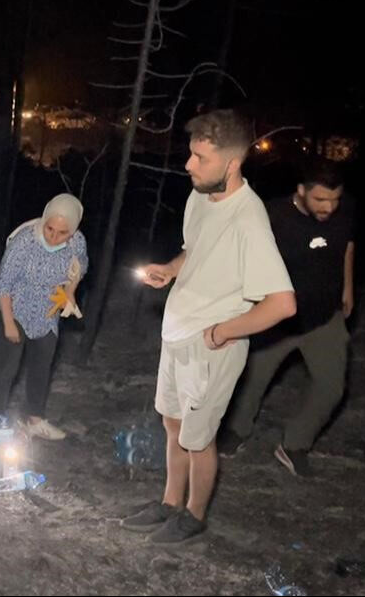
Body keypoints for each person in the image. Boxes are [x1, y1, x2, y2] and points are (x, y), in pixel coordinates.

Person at [120, 109, 296, 544]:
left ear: (231, 164)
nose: (189, 165)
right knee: (173, 426)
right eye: (191, 154)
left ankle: (194, 515)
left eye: (200, 157)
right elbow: (193, 250)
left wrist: (223, 332)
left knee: (199, 440)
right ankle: (168, 502)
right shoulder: (200, 196)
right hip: (177, 331)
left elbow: (282, 304)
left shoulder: (248, 221)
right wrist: (172, 269)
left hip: (212, 348)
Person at [221, 155, 356, 477]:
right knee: (251, 381)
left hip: (324, 316)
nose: (329, 207)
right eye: (320, 199)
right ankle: (236, 430)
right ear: (301, 190)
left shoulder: (346, 208)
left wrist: (347, 288)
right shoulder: (272, 217)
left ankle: (295, 443)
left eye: (334, 200)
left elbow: (347, 244)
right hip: (276, 321)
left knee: (332, 387)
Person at [0, 193, 89, 440]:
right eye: (50, 229)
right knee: (7, 369)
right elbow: (4, 284)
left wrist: (70, 292)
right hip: (16, 309)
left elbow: (80, 267)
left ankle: (34, 419)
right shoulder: (24, 242)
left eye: (62, 232)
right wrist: (9, 323)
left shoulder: (77, 241)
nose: (54, 237)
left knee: (41, 367)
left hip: (47, 313)